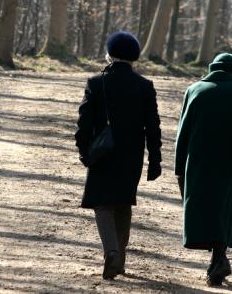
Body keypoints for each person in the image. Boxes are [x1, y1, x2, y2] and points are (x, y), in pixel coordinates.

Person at [75, 31, 163, 280]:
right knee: (123, 204)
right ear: (134, 57)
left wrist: (84, 151)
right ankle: (120, 260)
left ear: (109, 54)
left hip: (103, 153)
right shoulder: (145, 86)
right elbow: (153, 126)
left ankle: (111, 252)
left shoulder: (96, 82)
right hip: (131, 155)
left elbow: (84, 122)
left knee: (103, 204)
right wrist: (155, 159)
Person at [174, 53, 232, 287]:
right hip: (231, 161)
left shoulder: (193, 89)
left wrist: (179, 165)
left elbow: (183, 131)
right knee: (225, 208)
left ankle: (217, 261)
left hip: (198, 160)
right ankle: (219, 258)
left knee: (204, 208)